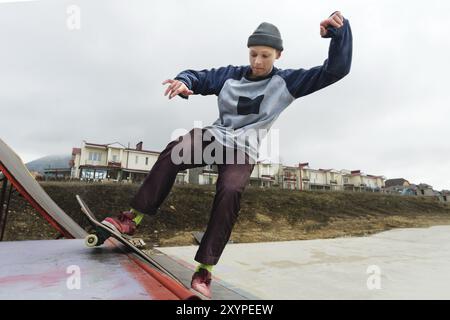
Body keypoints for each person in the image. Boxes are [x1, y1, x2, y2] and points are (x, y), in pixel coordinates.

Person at [102, 11, 352, 298]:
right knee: (176, 150)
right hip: (216, 137)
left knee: (231, 189)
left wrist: (338, 34)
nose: (258, 62)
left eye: (265, 56)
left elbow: (335, 71)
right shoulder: (230, 75)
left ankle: (204, 269)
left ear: (278, 56)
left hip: (243, 150)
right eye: (253, 54)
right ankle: (131, 219)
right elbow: (198, 77)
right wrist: (185, 82)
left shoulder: (289, 82)